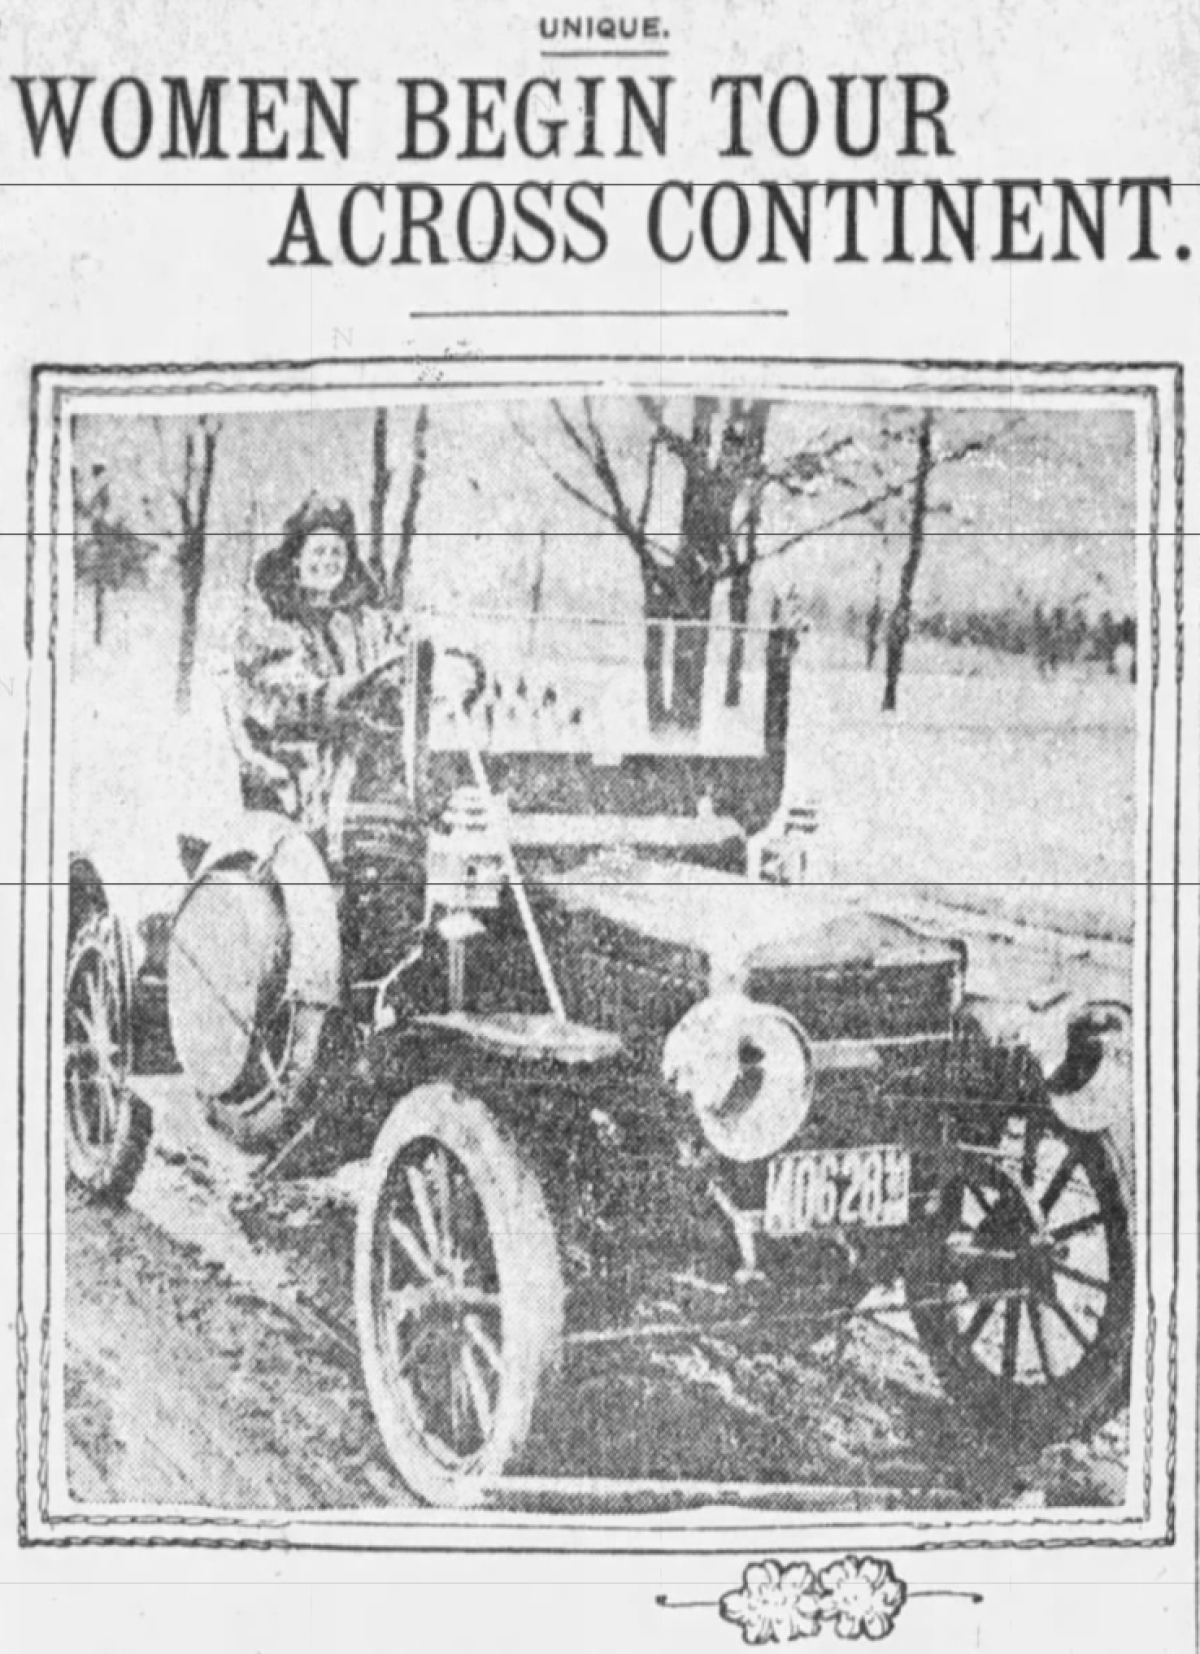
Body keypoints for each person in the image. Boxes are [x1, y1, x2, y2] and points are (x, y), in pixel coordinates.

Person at [233, 496, 405, 828]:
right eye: (319, 552)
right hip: (294, 783)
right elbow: (286, 694)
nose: (328, 562)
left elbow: (400, 651)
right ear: (296, 559)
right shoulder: (270, 627)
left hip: (363, 777)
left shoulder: (364, 625)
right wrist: (344, 692)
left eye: (337, 552)